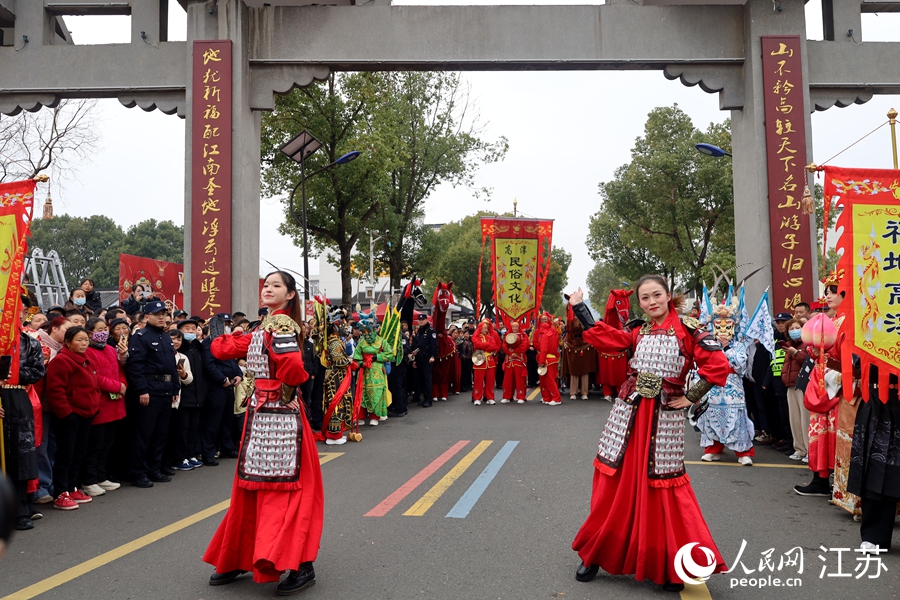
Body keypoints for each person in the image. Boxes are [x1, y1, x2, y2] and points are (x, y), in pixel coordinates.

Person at [568, 278, 730, 592]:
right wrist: (580, 308)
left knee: (663, 490)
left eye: (657, 295)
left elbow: (717, 364)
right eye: (645, 298)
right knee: (615, 487)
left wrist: (692, 394)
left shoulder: (690, 328)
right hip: (628, 416)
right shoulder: (636, 329)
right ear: (639, 303)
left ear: (669, 296)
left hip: (663, 420)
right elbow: (608, 339)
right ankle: (596, 552)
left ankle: (668, 564)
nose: (651, 301)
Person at [203, 270, 323, 595]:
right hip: (263, 416)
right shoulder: (265, 326)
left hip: (279, 416)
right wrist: (221, 336)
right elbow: (224, 350)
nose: (268, 289)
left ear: (290, 295)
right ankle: (244, 555)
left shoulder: (281, 325)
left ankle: (299, 563)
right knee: (256, 489)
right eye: (266, 285)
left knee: (282, 492)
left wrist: (280, 387)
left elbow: (295, 368)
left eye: (276, 285)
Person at [0, 298, 46, 529]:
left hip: (18, 398)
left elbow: (38, 370)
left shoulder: (30, 343)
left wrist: (15, 373)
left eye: (19, 313)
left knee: (21, 456)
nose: (15, 316)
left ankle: (20, 510)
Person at [44, 327, 101, 511]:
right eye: (79, 340)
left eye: (86, 340)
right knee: (65, 455)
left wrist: (95, 405)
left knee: (79, 454)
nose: (84, 343)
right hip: (70, 416)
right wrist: (66, 414)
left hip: (86, 413)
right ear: (67, 342)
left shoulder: (86, 360)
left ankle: (72, 488)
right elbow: (55, 391)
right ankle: (61, 493)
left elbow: (94, 385)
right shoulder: (61, 361)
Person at [125, 300, 180, 488]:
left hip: (165, 390)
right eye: (157, 314)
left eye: (164, 314)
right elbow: (136, 366)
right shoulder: (141, 336)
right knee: (144, 434)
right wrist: (142, 390)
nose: (162, 317)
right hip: (149, 389)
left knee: (160, 434)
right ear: (147, 316)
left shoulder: (165, 337)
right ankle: (138, 472)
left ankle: (154, 468)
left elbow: (172, 367)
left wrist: (174, 388)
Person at [697, 298, 755, 466]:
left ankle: (743, 452)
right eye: (718, 325)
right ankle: (713, 449)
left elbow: (740, 366)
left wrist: (728, 348)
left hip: (733, 386)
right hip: (713, 386)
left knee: (737, 418)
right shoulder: (708, 344)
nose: (722, 329)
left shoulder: (738, 345)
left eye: (727, 326)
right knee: (711, 416)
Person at [80, 318, 127, 497]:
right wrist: (117, 387)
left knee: (107, 444)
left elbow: (119, 372)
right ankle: (89, 480)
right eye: (98, 329)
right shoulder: (88, 351)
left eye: (104, 329)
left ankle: (101, 476)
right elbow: (95, 377)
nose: (103, 332)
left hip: (115, 403)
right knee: (95, 445)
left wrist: (122, 385)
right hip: (100, 403)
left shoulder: (109, 349)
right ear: (89, 332)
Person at [200, 315, 242, 465]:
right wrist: (222, 379)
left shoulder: (227, 340)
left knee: (227, 419)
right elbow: (209, 365)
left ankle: (227, 447)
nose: (227, 327)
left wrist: (239, 374)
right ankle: (209, 452)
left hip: (229, 385)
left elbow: (233, 360)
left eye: (228, 324)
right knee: (213, 421)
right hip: (216, 386)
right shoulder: (208, 342)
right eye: (224, 324)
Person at [172, 318, 206, 470]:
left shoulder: (198, 348)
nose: (191, 331)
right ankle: (180, 457)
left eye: (194, 328)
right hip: (183, 396)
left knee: (194, 427)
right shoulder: (179, 352)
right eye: (187, 329)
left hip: (198, 395)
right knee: (182, 429)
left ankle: (191, 454)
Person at [352, 313, 393, 425]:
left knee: (377, 393)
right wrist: (361, 364)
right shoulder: (361, 343)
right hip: (364, 372)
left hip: (377, 372)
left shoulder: (381, 341)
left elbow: (390, 355)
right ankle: (361, 416)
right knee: (362, 393)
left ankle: (375, 416)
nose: (367, 334)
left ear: (374, 329)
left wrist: (377, 357)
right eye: (364, 332)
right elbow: (356, 357)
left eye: (368, 331)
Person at [322, 307, 354, 445]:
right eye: (342, 323)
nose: (344, 326)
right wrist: (350, 362)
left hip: (337, 375)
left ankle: (336, 434)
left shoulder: (337, 340)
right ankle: (333, 435)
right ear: (335, 327)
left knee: (337, 402)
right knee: (336, 403)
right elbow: (338, 360)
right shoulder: (334, 342)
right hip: (335, 376)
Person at [780, 318, 808, 461]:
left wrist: (796, 352)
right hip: (790, 385)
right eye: (791, 329)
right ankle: (799, 449)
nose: (794, 330)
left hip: (803, 385)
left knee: (805, 419)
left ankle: (810, 450)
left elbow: (807, 361)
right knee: (794, 419)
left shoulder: (807, 344)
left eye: (797, 327)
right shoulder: (788, 346)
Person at [561, 315, 596, 401]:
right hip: (572, 346)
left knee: (585, 371)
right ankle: (573, 392)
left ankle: (584, 392)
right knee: (573, 372)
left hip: (585, 345)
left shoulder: (585, 317)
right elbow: (569, 333)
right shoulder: (570, 319)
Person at [471, 319, 501, 406]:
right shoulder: (475, 337)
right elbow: (477, 345)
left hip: (490, 361)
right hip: (479, 361)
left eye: (487, 328)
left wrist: (484, 347)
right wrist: (487, 345)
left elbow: (494, 347)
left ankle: (490, 397)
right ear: (480, 328)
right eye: (484, 328)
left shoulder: (490, 337)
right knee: (478, 381)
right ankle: (477, 397)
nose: (486, 330)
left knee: (490, 381)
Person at [410, 314, 438, 408]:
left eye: (423, 319)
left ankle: (428, 399)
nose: (421, 321)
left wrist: (433, 356)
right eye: (419, 320)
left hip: (427, 357)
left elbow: (434, 345)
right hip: (419, 357)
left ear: (426, 320)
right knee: (418, 379)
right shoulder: (420, 331)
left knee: (427, 379)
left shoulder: (431, 331)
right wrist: (415, 359)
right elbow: (417, 345)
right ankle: (420, 397)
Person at [536, 312, 561, 405]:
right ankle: (549, 398)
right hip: (553, 359)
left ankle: (556, 398)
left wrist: (541, 361)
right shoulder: (553, 335)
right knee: (552, 379)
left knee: (550, 380)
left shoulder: (545, 336)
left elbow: (543, 350)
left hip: (547, 359)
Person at [500, 320, 529, 403]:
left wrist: (515, 351)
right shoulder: (507, 334)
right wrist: (510, 353)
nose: (515, 328)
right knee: (508, 379)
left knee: (520, 379)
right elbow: (504, 345)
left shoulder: (523, 335)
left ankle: (521, 396)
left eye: (516, 326)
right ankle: (507, 396)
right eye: (513, 326)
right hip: (509, 360)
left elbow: (525, 345)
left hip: (519, 359)